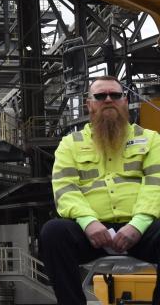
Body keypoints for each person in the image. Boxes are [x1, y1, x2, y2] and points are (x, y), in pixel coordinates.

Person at [40, 76, 160, 304]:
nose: (108, 100)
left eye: (115, 95)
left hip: (140, 229)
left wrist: (138, 224)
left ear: (125, 101)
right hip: (90, 232)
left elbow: (157, 183)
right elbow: (65, 188)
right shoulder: (70, 144)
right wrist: (88, 222)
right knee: (52, 233)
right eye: (100, 96)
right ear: (89, 104)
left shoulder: (151, 139)